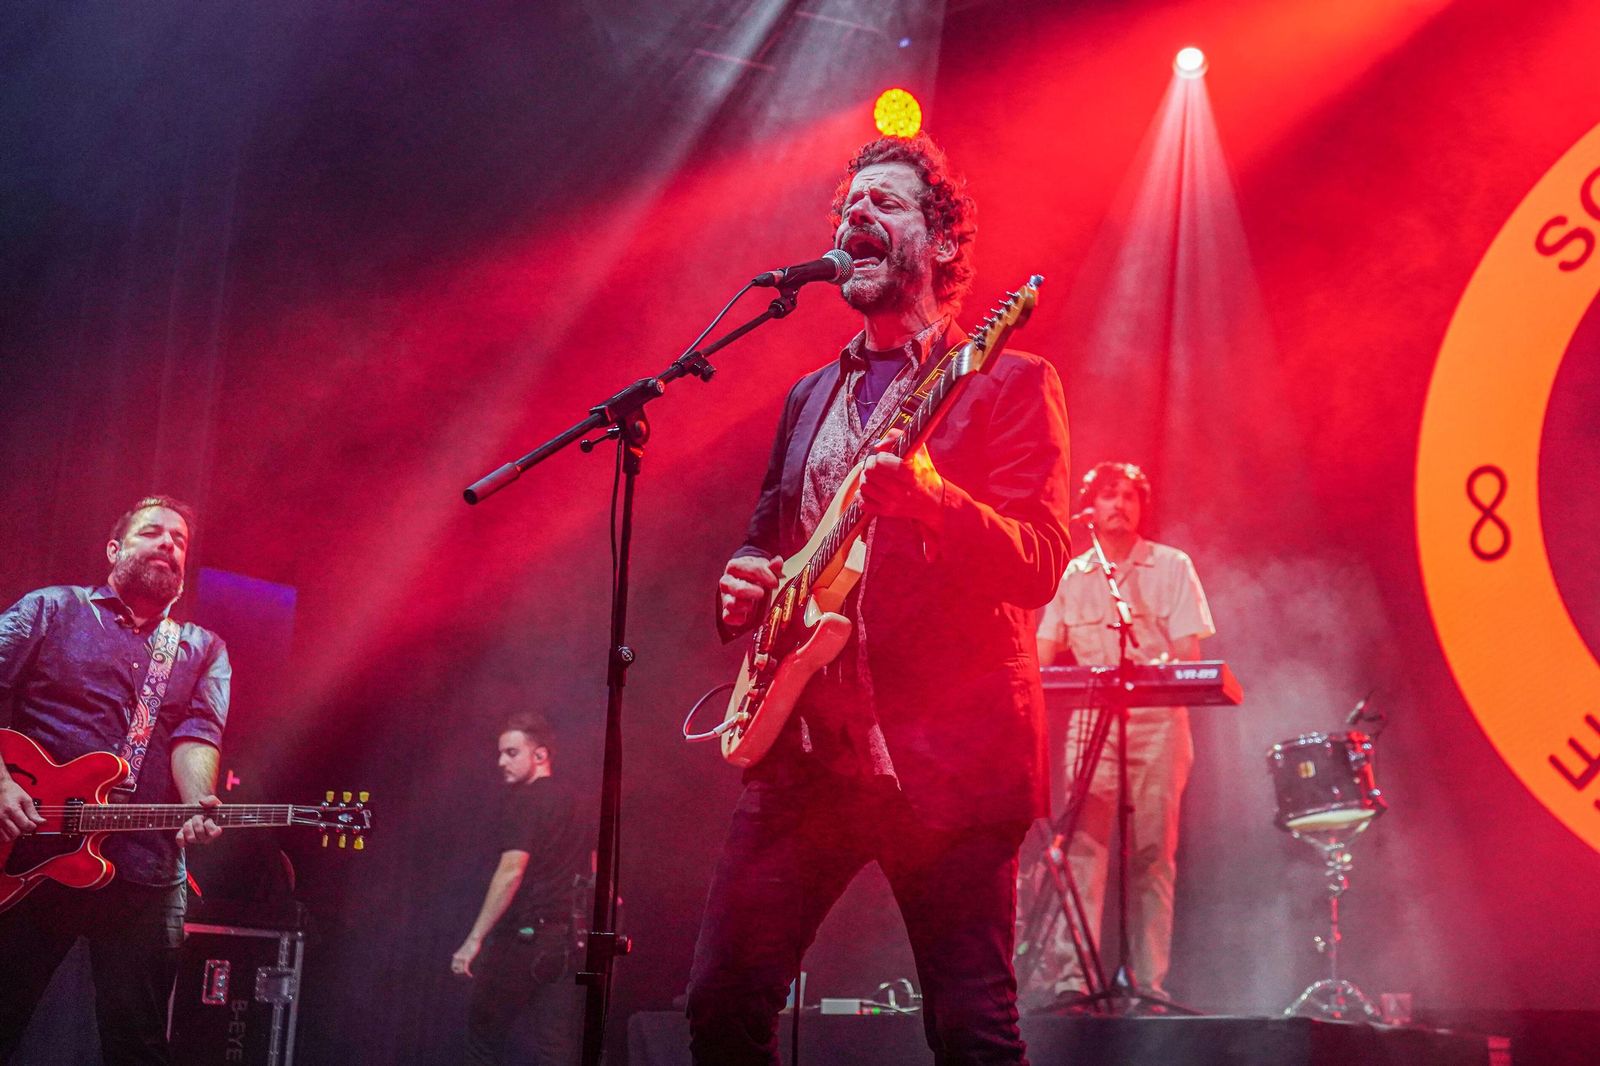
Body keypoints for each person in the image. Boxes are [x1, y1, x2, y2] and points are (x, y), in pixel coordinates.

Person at [687, 133, 1073, 1065]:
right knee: (720, 1008)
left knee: (972, 1030)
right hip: (809, 755)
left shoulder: (1008, 382)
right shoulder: (808, 394)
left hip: (947, 758)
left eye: (885, 204)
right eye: (848, 206)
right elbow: (769, 534)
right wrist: (742, 582)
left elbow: (1041, 560)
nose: (856, 215)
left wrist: (937, 500)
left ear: (940, 246)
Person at [0, 495, 230, 1065]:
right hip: (28, 850)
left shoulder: (202, 648)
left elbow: (197, 735)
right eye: (153, 533)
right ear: (114, 549)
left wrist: (199, 799)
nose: (169, 547)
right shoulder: (54, 609)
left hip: (145, 868)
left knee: (139, 1047)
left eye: (179, 541)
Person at [1030, 461, 1215, 1006]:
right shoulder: (1071, 573)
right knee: (1084, 848)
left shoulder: (1172, 566)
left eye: (1130, 496)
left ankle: (1146, 983)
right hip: (1092, 722)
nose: (1120, 505)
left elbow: (1190, 658)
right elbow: (1043, 658)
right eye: (1109, 495)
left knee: (1154, 854)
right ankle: (1074, 979)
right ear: (1090, 505)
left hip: (1158, 725)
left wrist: (1155, 670)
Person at [453, 712, 589, 1066]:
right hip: (566, 943)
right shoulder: (576, 802)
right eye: (500, 753)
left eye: (511, 753)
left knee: (481, 1041)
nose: (501, 762)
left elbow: (511, 871)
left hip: (523, 938)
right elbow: (593, 869)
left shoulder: (526, 801)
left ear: (540, 755)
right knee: (557, 1051)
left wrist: (473, 940)